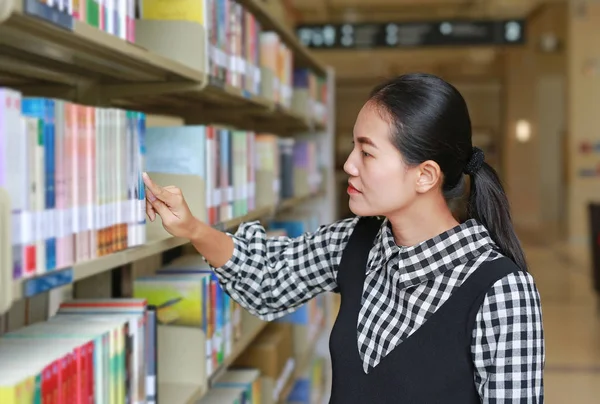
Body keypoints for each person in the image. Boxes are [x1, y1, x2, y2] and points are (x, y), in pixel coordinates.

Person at [142, 72, 545, 403]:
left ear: (425, 175)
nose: (348, 164)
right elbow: (266, 280)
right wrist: (192, 228)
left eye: (367, 153)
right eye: (354, 146)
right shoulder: (355, 242)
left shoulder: (501, 291)